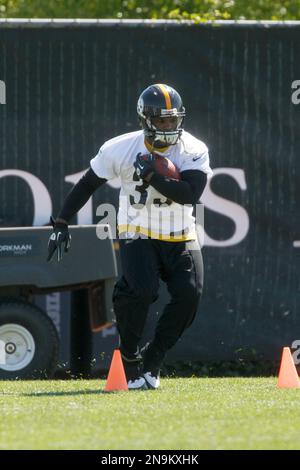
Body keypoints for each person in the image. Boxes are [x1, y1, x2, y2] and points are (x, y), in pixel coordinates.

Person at [47, 83, 213, 390]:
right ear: (145, 120)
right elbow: (87, 184)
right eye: (161, 120)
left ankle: (154, 357)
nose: (168, 126)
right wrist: (60, 221)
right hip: (138, 230)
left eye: (172, 120)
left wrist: (152, 175)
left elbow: (189, 194)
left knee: (189, 295)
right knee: (140, 291)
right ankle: (130, 358)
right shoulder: (120, 148)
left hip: (180, 233)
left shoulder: (193, 148)